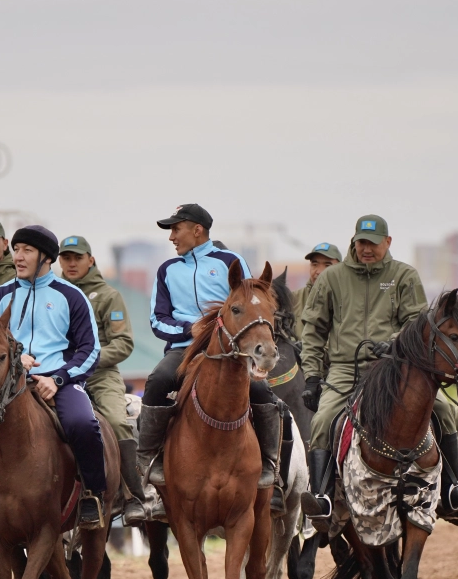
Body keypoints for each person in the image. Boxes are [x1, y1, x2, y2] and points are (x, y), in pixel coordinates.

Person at [299, 215, 458, 529]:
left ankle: (452, 490)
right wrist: (313, 375)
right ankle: (323, 498)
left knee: (443, 410)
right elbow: (313, 329)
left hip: (395, 366)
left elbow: (417, 325)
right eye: (361, 243)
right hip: (345, 368)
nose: (367, 249)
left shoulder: (405, 276)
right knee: (323, 419)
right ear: (353, 242)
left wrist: (392, 344)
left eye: (373, 243)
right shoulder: (332, 279)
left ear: (388, 242)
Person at [0, 225, 108, 529]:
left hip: (59, 382)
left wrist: (60, 379)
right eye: (17, 250)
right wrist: (14, 359)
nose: (19, 257)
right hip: (10, 383)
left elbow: (90, 349)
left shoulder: (71, 296)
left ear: (46, 257)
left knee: (83, 423)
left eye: (27, 251)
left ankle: (92, 495)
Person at [137, 203, 282, 507]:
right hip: (184, 349)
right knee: (159, 380)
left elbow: (248, 304)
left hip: (230, 349)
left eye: (176, 229)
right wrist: (188, 329)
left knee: (261, 389)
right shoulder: (167, 270)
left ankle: (271, 467)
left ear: (197, 229)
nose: (171, 237)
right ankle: (148, 461)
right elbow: (156, 319)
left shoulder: (230, 260)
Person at [58, 234, 154, 525]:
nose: (72, 263)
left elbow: (123, 343)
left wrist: (84, 360)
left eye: (78, 257)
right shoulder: (53, 294)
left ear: (91, 260)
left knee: (115, 419)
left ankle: (133, 496)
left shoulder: (109, 296)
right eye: (66, 258)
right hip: (57, 375)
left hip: (100, 374)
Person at [292, 242, 341, 339]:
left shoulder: (349, 299)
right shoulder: (293, 299)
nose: (319, 271)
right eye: (314, 264)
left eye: (327, 265)